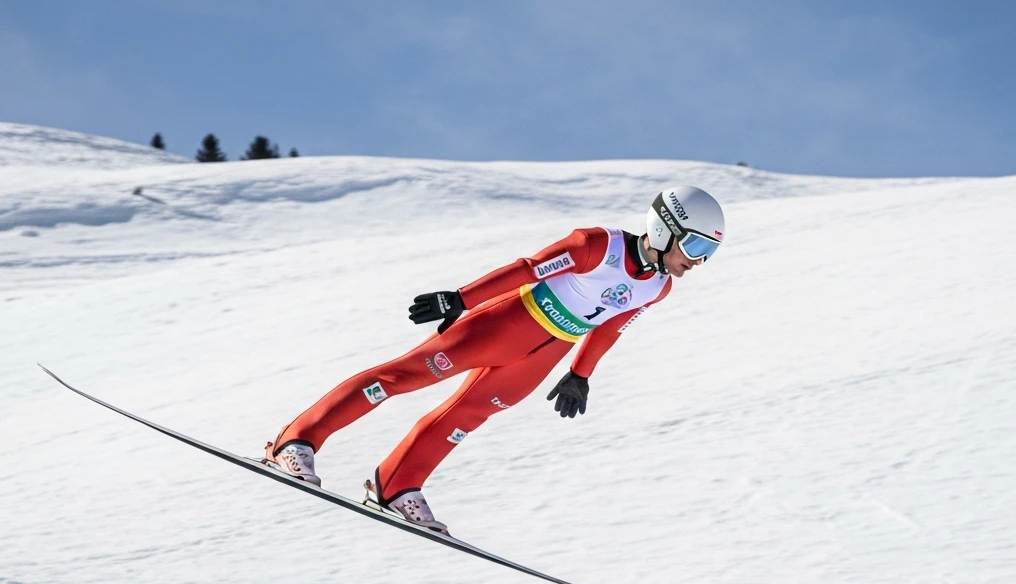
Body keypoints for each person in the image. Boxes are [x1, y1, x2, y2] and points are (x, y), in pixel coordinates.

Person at [263, 185, 725, 533]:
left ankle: (396, 484)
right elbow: (527, 269)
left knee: (467, 416)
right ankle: (295, 441)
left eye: (708, 253)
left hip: (547, 351)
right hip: (506, 324)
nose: (698, 262)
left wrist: (580, 375)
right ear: (665, 229)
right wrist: (461, 299)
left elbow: (609, 328)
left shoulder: (658, 287)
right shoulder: (597, 245)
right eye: (696, 247)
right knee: (401, 377)